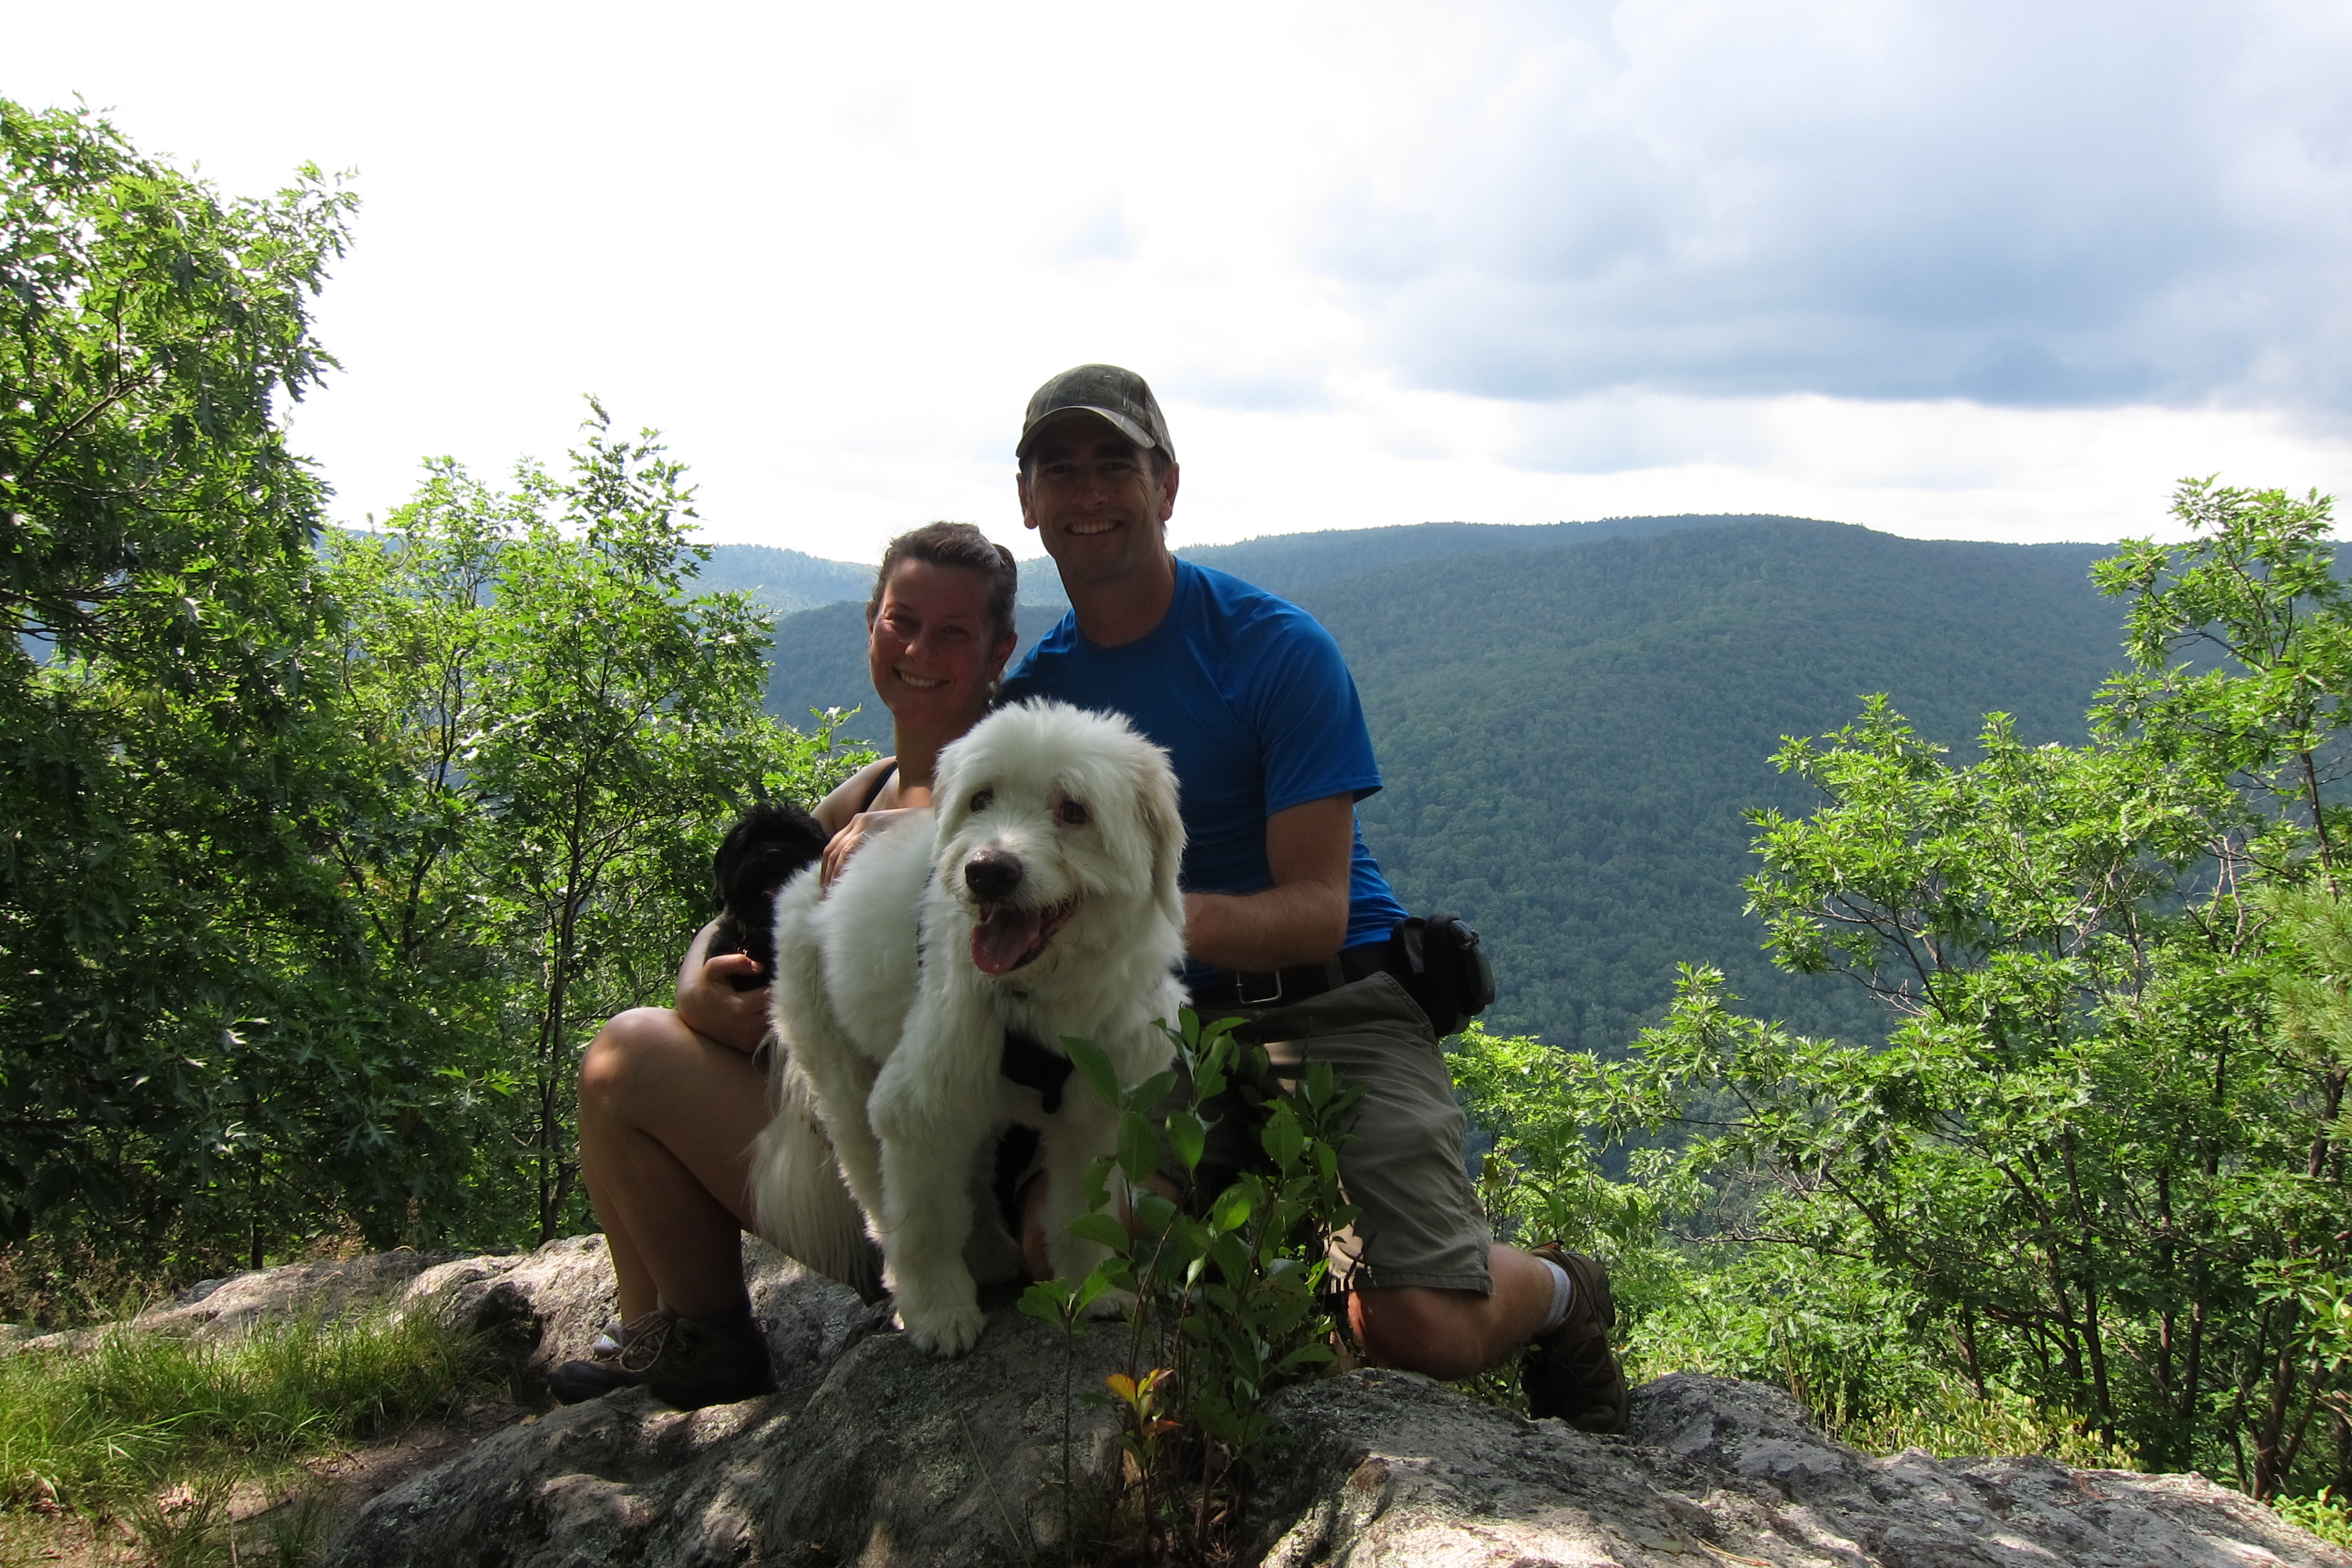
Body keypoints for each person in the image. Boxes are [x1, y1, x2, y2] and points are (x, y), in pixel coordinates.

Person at [996, 366, 1629, 1433]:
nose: (1088, 492)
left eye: (1117, 464)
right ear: (1027, 503)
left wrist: (1121, 913)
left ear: (1168, 485)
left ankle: (1561, 1290)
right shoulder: (1036, 701)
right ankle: (1306, 1269)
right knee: (1084, 1267)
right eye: (1059, 471)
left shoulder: (1271, 648)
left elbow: (1314, 910)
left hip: (1326, 998)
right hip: (1157, 1026)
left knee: (1420, 1328)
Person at [562, 522, 1021, 1408]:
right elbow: (745, 918)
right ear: (871, 624)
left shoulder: (1004, 816)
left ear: (1001, 650)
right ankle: (650, 1322)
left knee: (625, 1062)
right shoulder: (870, 789)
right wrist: (701, 980)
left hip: (936, 1183)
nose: (920, 650)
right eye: (901, 620)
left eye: (954, 633)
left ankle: (701, 1340)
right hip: (845, 1137)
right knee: (638, 1042)